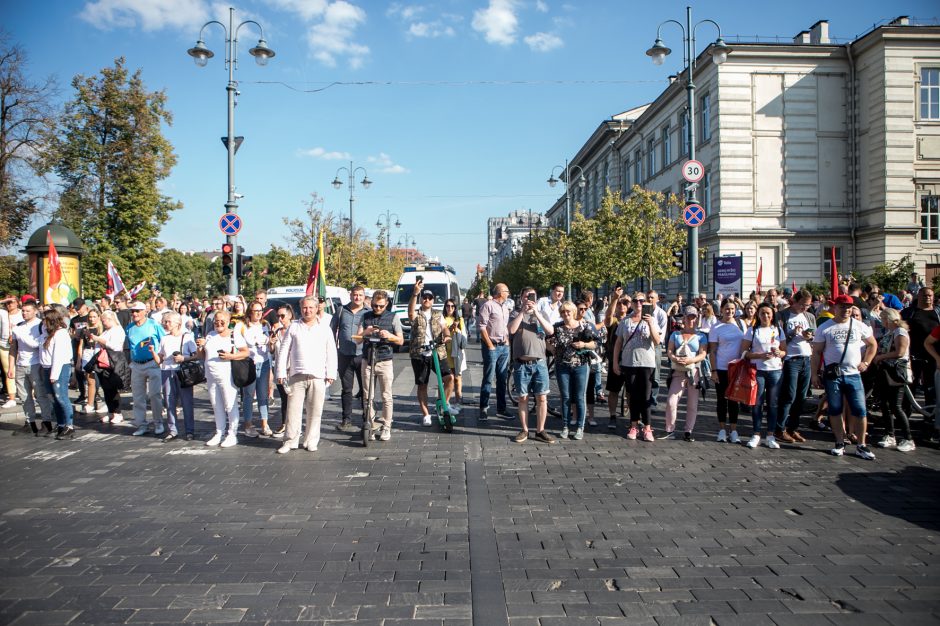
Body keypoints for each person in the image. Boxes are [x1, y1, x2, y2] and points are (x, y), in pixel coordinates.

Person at [811, 294, 878, 459]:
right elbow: (817, 352)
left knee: (860, 410)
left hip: (854, 374)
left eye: (848, 307)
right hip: (834, 375)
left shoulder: (859, 325)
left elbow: (872, 344)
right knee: (834, 409)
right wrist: (814, 374)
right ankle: (839, 442)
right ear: (835, 308)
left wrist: (866, 362)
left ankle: (861, 445)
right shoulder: (825, 327)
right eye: (842, 307)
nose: (846, 310)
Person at [273, 296, 337, 454]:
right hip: (297, 374)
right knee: (293, 411)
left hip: (318, 375)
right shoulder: (294, 327)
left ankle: (311, 440)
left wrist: (331, 373)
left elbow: (331, 352)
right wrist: (280, 372)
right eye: (304, 308)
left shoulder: (325, 328)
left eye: (310, 307)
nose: (307, 310)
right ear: (300, 309)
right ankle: (290, 441)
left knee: (315, 410)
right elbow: (283, 351)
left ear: (317, 309)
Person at [507, 287, 556, 444]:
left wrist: (536, 314)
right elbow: (511, 329)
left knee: (542, 397)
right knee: (523, 398)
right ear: (521, 297)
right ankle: (525, 430)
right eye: (526, 296)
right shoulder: (515, 314)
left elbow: (550, 331)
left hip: (539, 362)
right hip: (521, 363)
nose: (529, 298)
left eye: (532, 296)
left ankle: (540, 430)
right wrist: (523, 311)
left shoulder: (541, 314)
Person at [196, 309, 249, 448]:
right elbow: (202, 356)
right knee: (216, 405)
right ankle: (219, 432)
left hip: (227, 375)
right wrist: (200, 347)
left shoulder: (234, 335)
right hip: (211, 375)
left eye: (222, 321)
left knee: (230, 404)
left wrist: (231, 356)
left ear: (228, 322)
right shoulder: (210, 335)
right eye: (216, 321)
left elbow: (245, 352)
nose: (218, 323)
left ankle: (232, 434)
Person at [356, 290, 404, 441]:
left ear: (386, 304)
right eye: (375, 306)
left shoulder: (393, 317)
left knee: (386, 395)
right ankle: (370, 424)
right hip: (368, 359)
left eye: (381, 306)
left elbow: (401, 341)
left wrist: (389, 336)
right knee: (367, 396)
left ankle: (386, 426)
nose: (377, 309)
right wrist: (366, 332)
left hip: (385, 360)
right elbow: (357, 339)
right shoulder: (365, 317)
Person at [612, 292, 660, 441]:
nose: (638, 303)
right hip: (629, 362)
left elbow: (657, 341)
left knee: (646, 396)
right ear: (631, 303)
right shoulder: (625, 321)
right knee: (632, 396)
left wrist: (651, 323)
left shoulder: (652, 320)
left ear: (645, 303)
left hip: (647, 363)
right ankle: (633, 425)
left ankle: (647, 428)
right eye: (635, 301)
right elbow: (618, 343)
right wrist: (615, 362)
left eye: (641, 300)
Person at [741, 303, 787, 449]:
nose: (765, 316)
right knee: (757, 403)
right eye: (762, 313)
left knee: (773, 404)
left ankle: (770, 435)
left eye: (768, 313)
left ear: (772, 315)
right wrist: (760, 356)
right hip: (758, 370)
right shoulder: (753, 330)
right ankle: (756, 434)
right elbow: (744, 353)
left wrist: (780, 353)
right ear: (758, 315)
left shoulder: (778, 330)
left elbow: (785, 351)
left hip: (775, 370)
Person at [872, 309, 915, 452]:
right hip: (886, 371)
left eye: (883, 318)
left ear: (888, 319)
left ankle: (908, 438)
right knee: (885, 404)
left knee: (896, 406)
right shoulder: (890, 332)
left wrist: (880, 357)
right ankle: (889, 434)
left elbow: (900, 352)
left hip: (896, 372)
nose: (881, 321)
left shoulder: (900, 332)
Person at [409, 282, 452, 426]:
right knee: (422, 385)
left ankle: (443, 404)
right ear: (421, 299)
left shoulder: (437, 314)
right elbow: (410, 313)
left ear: (433, 300)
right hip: (420, 353)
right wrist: (415, 294)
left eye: (429, 297)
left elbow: (444, 327)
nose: (427, 299)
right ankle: (426, 414)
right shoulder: (417, 313)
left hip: (438, 351)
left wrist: (447, 335)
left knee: (449, 378)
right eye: (424, 297)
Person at [7, 300, 54, 434]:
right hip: (21, 365)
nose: (24, 313)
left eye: (27, 311)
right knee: (24, 396)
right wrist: (11, 367)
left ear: (35, 311)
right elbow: (13, 347)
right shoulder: (19, 326)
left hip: (36, 364)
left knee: (40, 395)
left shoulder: (40, 325)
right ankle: (30, 422)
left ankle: (47, 422)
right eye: (23, 311)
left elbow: (37, 345)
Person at [776, 289, 816, 443]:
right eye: (802, 305)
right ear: (794, 301)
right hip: (790, 359)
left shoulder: (809, 316)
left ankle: (793, 428)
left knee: (801, 397)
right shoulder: (783, 315)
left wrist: (810, 336)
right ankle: (780, 428)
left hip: (806, 358)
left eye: (807, 305)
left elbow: (815, 336)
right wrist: (792, 333)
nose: (805, 308)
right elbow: (778, 338)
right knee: (789, 395)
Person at [553, 301, 597, 440]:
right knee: (565, 397)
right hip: (562, 365)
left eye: (568, 311)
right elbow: (550, 343)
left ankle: (580, 427)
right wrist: (551, 348)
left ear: (574, 312)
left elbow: (596, 343)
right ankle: (565, 426)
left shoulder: (584, 326)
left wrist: (583, 344)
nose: (566, 314)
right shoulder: (557, 327)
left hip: (581, 365)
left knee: (579, 397)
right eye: (563, 312)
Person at [663, 306, 708, 441]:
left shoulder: (701, 336)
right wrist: (675, 358)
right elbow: (669, 351)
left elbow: (703, 353)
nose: (691, 320)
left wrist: (691, 360)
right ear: (684, 318)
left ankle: (688, 431)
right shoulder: (675, 334)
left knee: (692, 404)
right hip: (678, 371)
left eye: (694, 317)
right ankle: (670, 429)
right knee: (671, 401)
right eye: (689, 317)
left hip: (694, 372)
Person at [154, 312, 198, 441]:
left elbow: (196, 355)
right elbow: (160, 359)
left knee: (186, 401)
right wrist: (152, 352)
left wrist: (183, 358)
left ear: (177, 323)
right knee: (169, 401)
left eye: (168, 322)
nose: (165, 324)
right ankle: (172, 430)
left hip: (183, 372)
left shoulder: (187, 337)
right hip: (167, 371)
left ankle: (190, 430)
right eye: (164, 321)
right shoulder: (164, 338)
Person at [126, 301, 166, 437]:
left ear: (145, 312)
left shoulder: (153, 324)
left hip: (152, 363)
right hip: (136, 364)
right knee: (138, 397)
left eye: (137, 311)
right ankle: (141, 424)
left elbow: (164, 341)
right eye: (132, 311)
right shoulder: (129, 327)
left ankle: (158, 422)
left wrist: (160, 358)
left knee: (155, 395)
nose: (135, 314)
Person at [330, 285, 367, 432]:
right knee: (346, 390)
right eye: (355, 295)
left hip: (363, 355)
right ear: (350, 296)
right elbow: (332, 330)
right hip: (344, 355)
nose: (357, 298)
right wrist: (332, 349)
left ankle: (367, 418)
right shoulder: (341, 310)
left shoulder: (369, 312)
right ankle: (346, 419)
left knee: (366, 389)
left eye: (360, 295)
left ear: (364, 297)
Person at [709, 299, 745, 443]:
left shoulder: (740, 324)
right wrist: (714, 370)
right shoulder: (716, 327)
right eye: (727, 309)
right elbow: (712, 351)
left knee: (735, 400)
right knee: (722, 399)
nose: (730, 311)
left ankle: (734, 430)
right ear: (722, 310)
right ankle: (722, 429)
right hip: (722, 367)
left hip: (737, 368)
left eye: (732, 309)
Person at [477, 283, 512, 420]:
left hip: (504, 346)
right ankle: (483, 408)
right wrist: (490, 345)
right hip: (492, 346)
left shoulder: (505, 307)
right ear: (500, 292)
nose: (508, 293)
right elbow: (482, 327)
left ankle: (501, 409)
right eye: (506, 291)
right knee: (488, 378)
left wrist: (507, 340)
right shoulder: (488, 305)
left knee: (502, 379)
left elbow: (505, 326)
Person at [901, 287, 939, 410]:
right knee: (911, 385)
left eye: (930, 295)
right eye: (924, 295)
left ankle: (930, 416)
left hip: (934, 355)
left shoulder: (938, 312)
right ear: (918, 296)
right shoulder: (908, 313)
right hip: (913, 354)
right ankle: (906, 414)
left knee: (931, 387)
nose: (927, 297)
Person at [240, 301, 272, 438]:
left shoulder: (265, 325)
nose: (258, 313)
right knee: (248, 395)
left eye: (260, 310)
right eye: (255, 311)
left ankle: (265, 423)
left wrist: (271, 343)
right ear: (250, 312)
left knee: (263, 395)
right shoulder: (243, 326)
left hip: (264, 362)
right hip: (250, 363)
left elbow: (270, 345)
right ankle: (248, 424)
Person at [41, 307, 74, 440]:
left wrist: (54, 375)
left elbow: (58, 356)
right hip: (47, 367)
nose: (42, 321)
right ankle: (60, 424)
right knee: (53, 398)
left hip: (59, 368)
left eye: (44, 319)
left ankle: (69, 426)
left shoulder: (60, 334)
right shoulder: (46, 332)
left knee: (61, 398)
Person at [88, 310, 127, 425]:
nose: (103, 323)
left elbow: (114, 346)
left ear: (110, 319)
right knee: (106, 388)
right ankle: (111, 412)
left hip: (113, 360)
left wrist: (98, 339)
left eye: (104, 321)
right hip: (104, 361)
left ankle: (117, 413)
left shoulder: (118, 330)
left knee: (112, 387)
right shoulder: (107, 331)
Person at [604, 289, 631, 430]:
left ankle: (633, 419)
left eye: (625, 304)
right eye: (620, 304)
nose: (622, 306)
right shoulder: (614, 321)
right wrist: (615, 298)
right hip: (616, 359)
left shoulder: (632, 320)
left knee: (631, 391)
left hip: (630, 360)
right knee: (613, 390)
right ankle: (612, 415)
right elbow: (608, 317)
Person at [268, 304, 294, 438]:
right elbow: (272, 351)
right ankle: (284, 423)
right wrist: (271, 343)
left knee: (293, 399)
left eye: (282, 316)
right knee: (284, 398)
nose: (280, 319)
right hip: (279, 368)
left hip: (292, 370)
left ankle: (293, 426)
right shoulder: (277, 331)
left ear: (290, 316)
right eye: (278, 316)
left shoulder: (295, 329)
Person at [442, 298, 467, 414]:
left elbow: (464, 337)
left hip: (457, 353)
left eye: (452, 306)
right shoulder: (442, 319)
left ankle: (458, 401)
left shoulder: (459, 319)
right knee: (447, 378)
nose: (450, 308)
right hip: (445, 352)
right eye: (448, 306)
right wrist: (449, 329)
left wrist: (456, 329)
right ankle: (444, 401)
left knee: (457, 377)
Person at [77, 307, 104, 414]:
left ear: (98, 317)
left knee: (102, 378)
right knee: (90, 379)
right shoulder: (85, 329)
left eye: (94, 317)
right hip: (87, 353)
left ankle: (102, 401)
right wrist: (79, 360)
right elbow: (81, 345)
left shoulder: (101, 329)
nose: (92, 319)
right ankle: (90, 404)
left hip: (98, 353)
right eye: (90, 317)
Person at [68, 298, 91, 408]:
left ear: (84, 306)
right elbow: (71, 333)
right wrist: (74, 336)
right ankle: (82, 394)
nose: (77, 311)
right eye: (75, 309)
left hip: (89, 346)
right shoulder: (74, 320)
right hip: (76, 345)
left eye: (79, 308)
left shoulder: (90, 317)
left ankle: (93, 394)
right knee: (78, 371)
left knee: (90, 371)